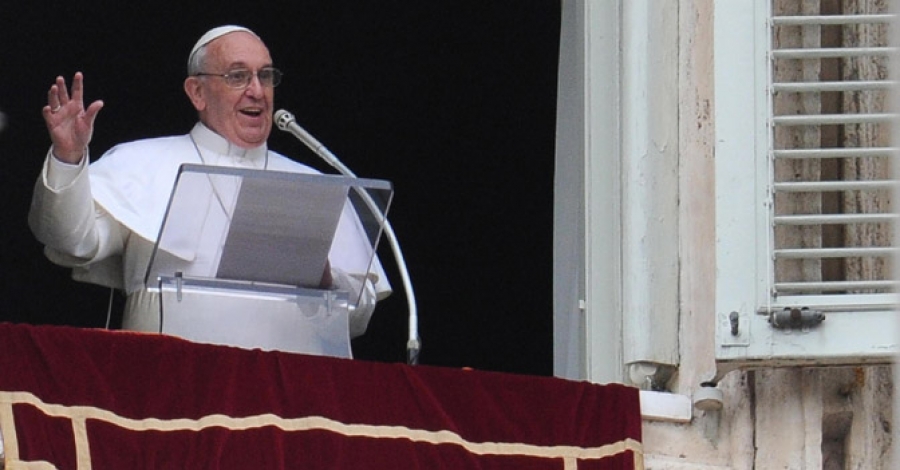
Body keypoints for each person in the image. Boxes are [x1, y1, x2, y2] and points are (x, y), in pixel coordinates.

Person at [28, 25, 391, 347]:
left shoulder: (314, 184)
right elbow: (71, 242)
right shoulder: (142, 162)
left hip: (290, 397)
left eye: (265, 76)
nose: (256, 91)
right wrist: (68, 158)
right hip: (171, 391)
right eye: (237, 76)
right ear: (197, 92)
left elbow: (359, 317)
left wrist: (325, 279)